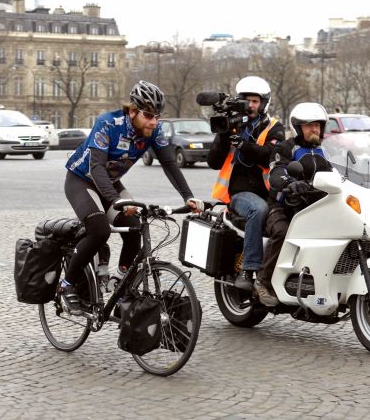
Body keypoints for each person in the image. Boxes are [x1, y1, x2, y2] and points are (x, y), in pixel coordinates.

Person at [61, 80, 203, 314]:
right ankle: (66, 286)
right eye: (148, 115)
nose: (153, 122)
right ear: (133, 110)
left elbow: (169, 163)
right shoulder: (107, 123)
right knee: (99, 230)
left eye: (157, 116)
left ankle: (120, 284)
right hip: (82, 180)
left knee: (136, 226)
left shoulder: (153, 130)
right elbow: (96, 168)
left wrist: (188, 196)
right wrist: (116, 201)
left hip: (111, 183)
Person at [207, 76, 284, 291]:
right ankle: (249, 270)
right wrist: (224, 136)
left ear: (264, 103)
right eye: (246, 101)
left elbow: (270, 154)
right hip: (239, 194)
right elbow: (213, 162)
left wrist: (244, 144)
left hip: (269, 192)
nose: (250, 106)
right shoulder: (232, 126)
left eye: (255, 101)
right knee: (258, 209)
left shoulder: (274, 128)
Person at [254, 102, 332, 306]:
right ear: (299, 128)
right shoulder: (285, 147)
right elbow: (276, 172)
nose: (314, 129)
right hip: (284, 206)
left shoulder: (327, 151)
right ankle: (262, 282)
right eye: (308, 126)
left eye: (317, 125)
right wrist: (291, 182)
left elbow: (341, 173)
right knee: (282, 231)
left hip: (315, 207)